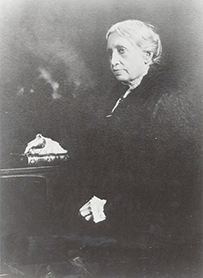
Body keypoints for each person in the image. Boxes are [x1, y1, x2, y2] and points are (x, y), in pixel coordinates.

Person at [76, 20, 202, 246]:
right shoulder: (118, 95)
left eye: (121, 51)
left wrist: (109, 208)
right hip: (115, 218)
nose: (113, 61)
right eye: (110, 53)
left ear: (147, 55)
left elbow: (167, 186)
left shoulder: (166, 102)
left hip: (153, 231)